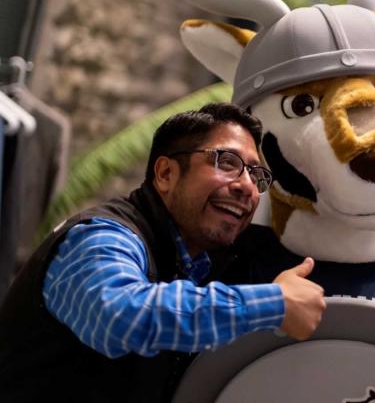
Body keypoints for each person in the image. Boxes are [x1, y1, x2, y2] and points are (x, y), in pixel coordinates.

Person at [0, 103, 326, 402]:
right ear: (166, 174)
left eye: (257, 175)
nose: (247, 186)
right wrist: (274, 304)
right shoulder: (100, 236)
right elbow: (119, 316)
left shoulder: (204, 262)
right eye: (227, 163)